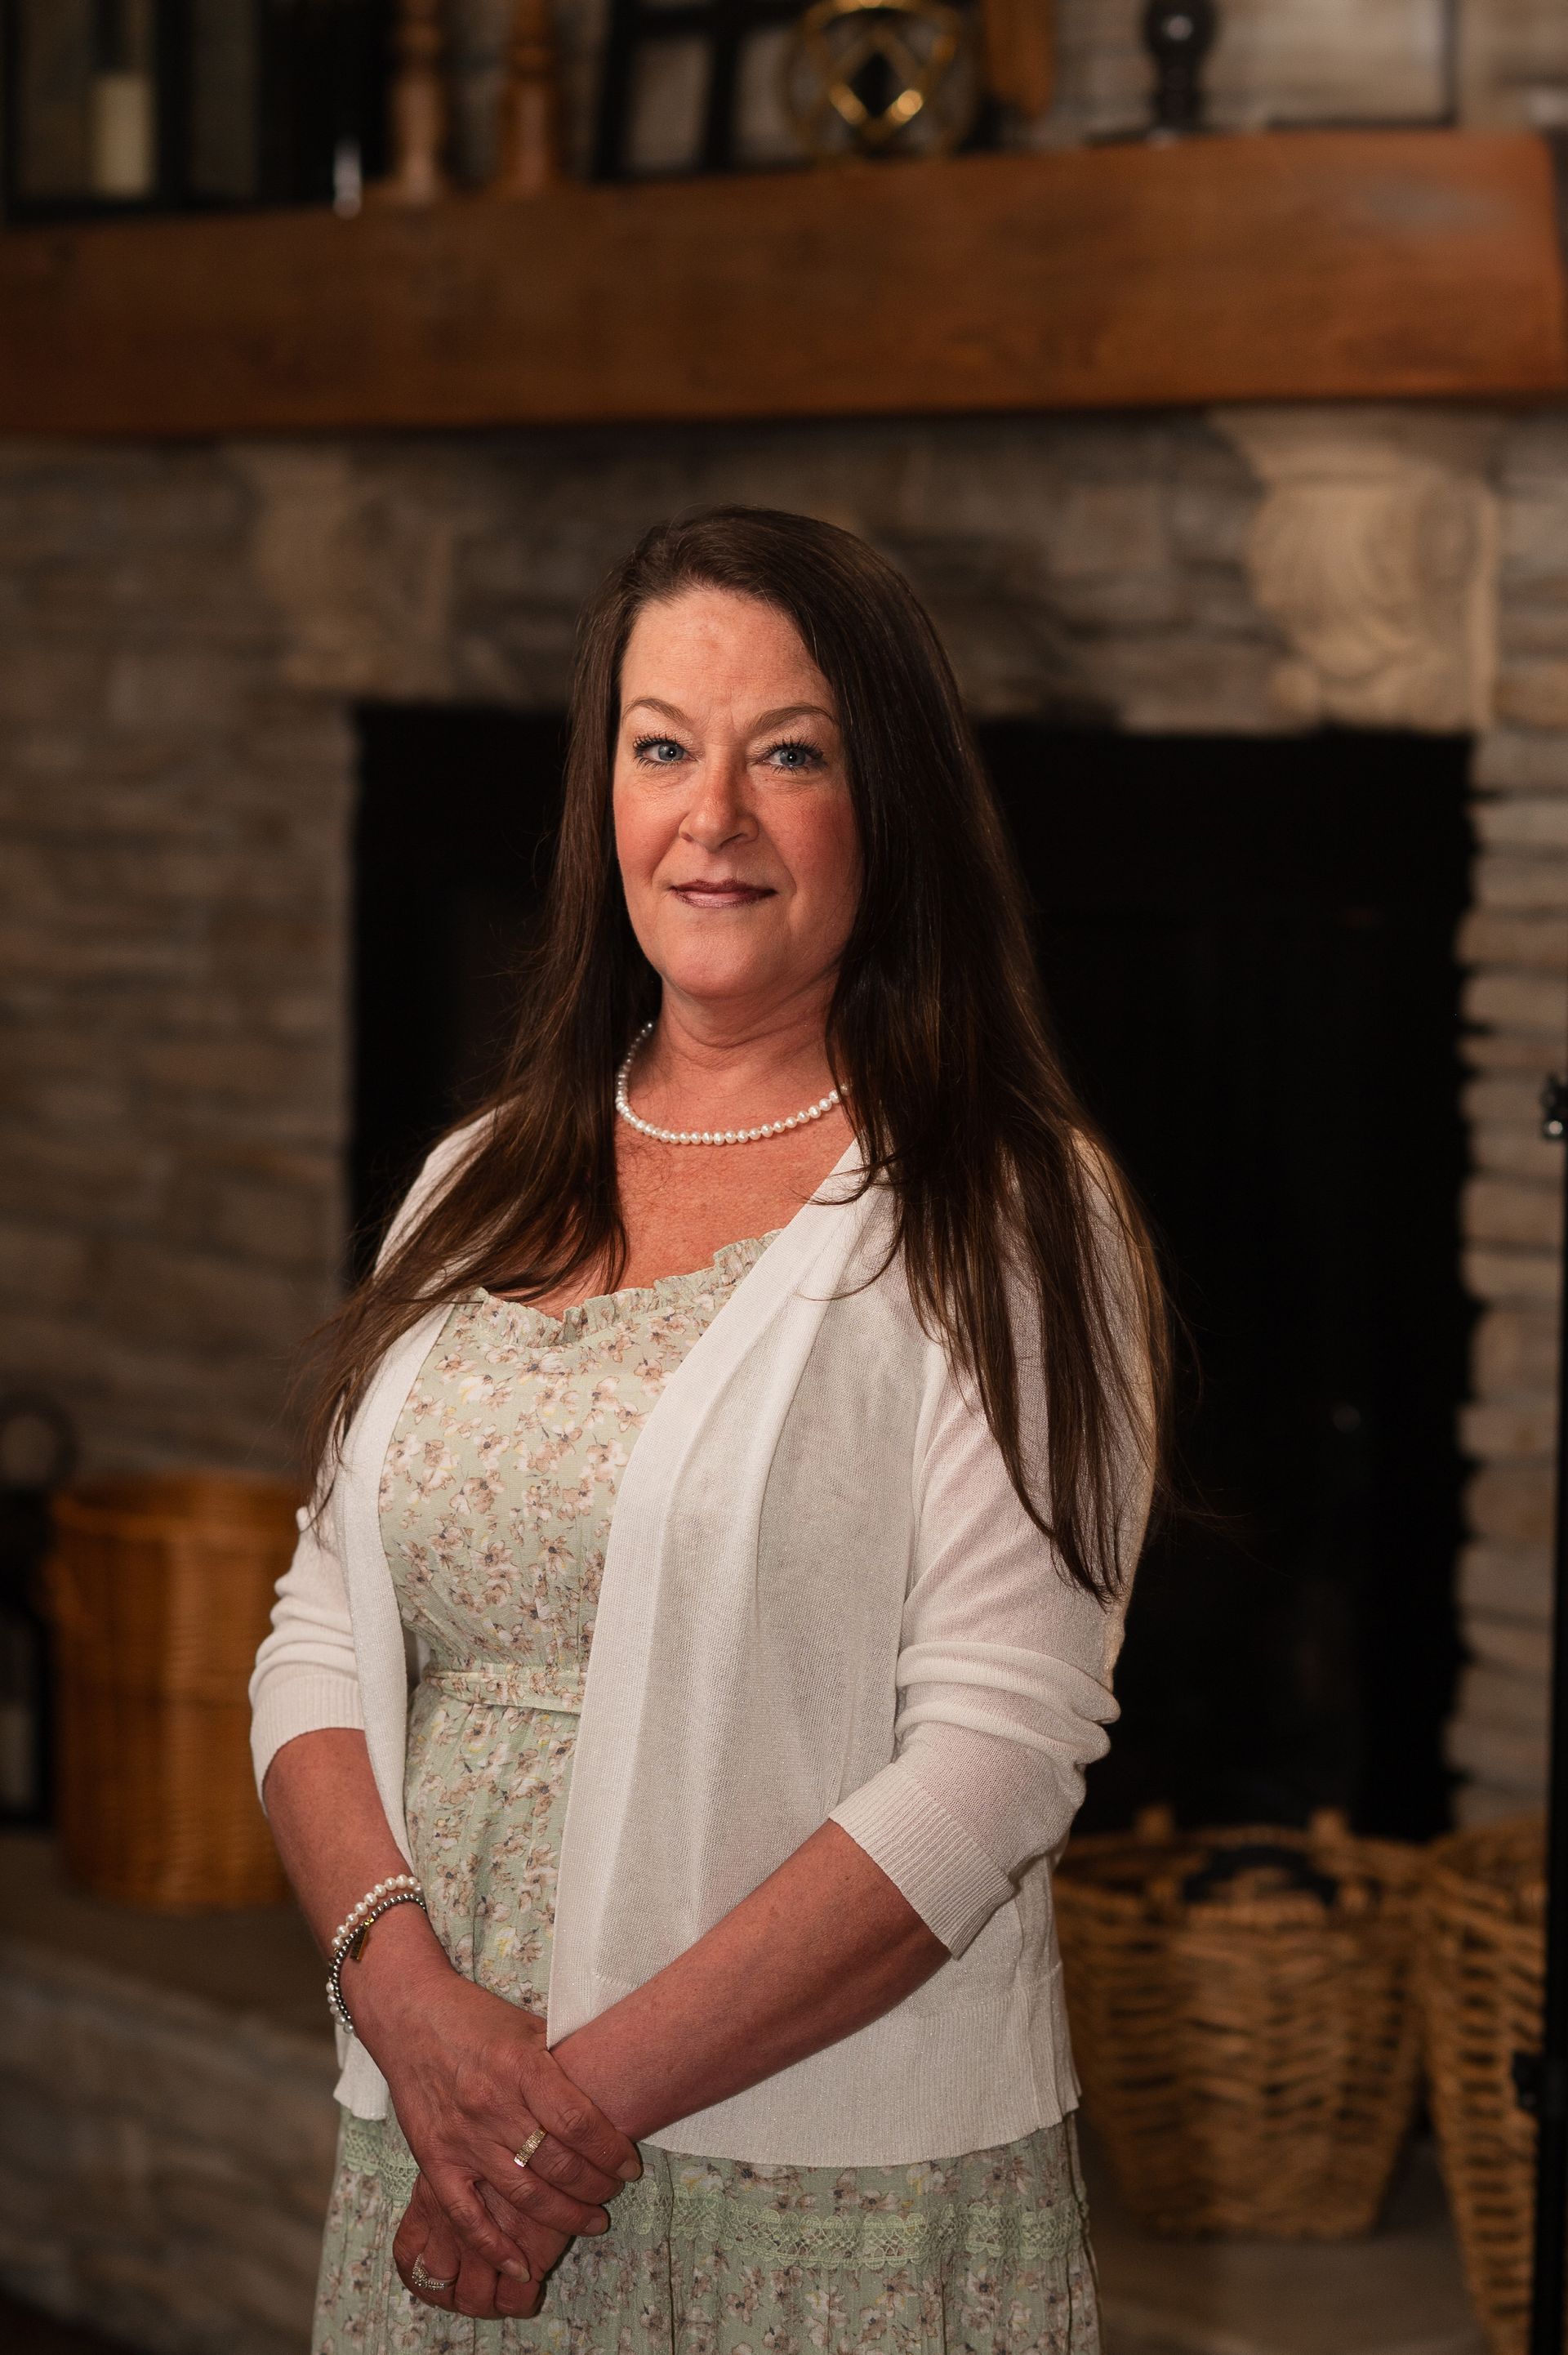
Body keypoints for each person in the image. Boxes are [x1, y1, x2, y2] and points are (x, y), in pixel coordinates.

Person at [250, 505, 1167, 2355]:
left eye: (792, 753)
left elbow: (994, 1754)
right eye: (663, 746)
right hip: (438, 2133)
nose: (714, 815)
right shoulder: (470, 1183)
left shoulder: (1007, 1209)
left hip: (802, 2194)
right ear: (606, 795)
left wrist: (561, 2110)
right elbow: (318, 1640)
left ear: (887, 804)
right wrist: (412, 2008)